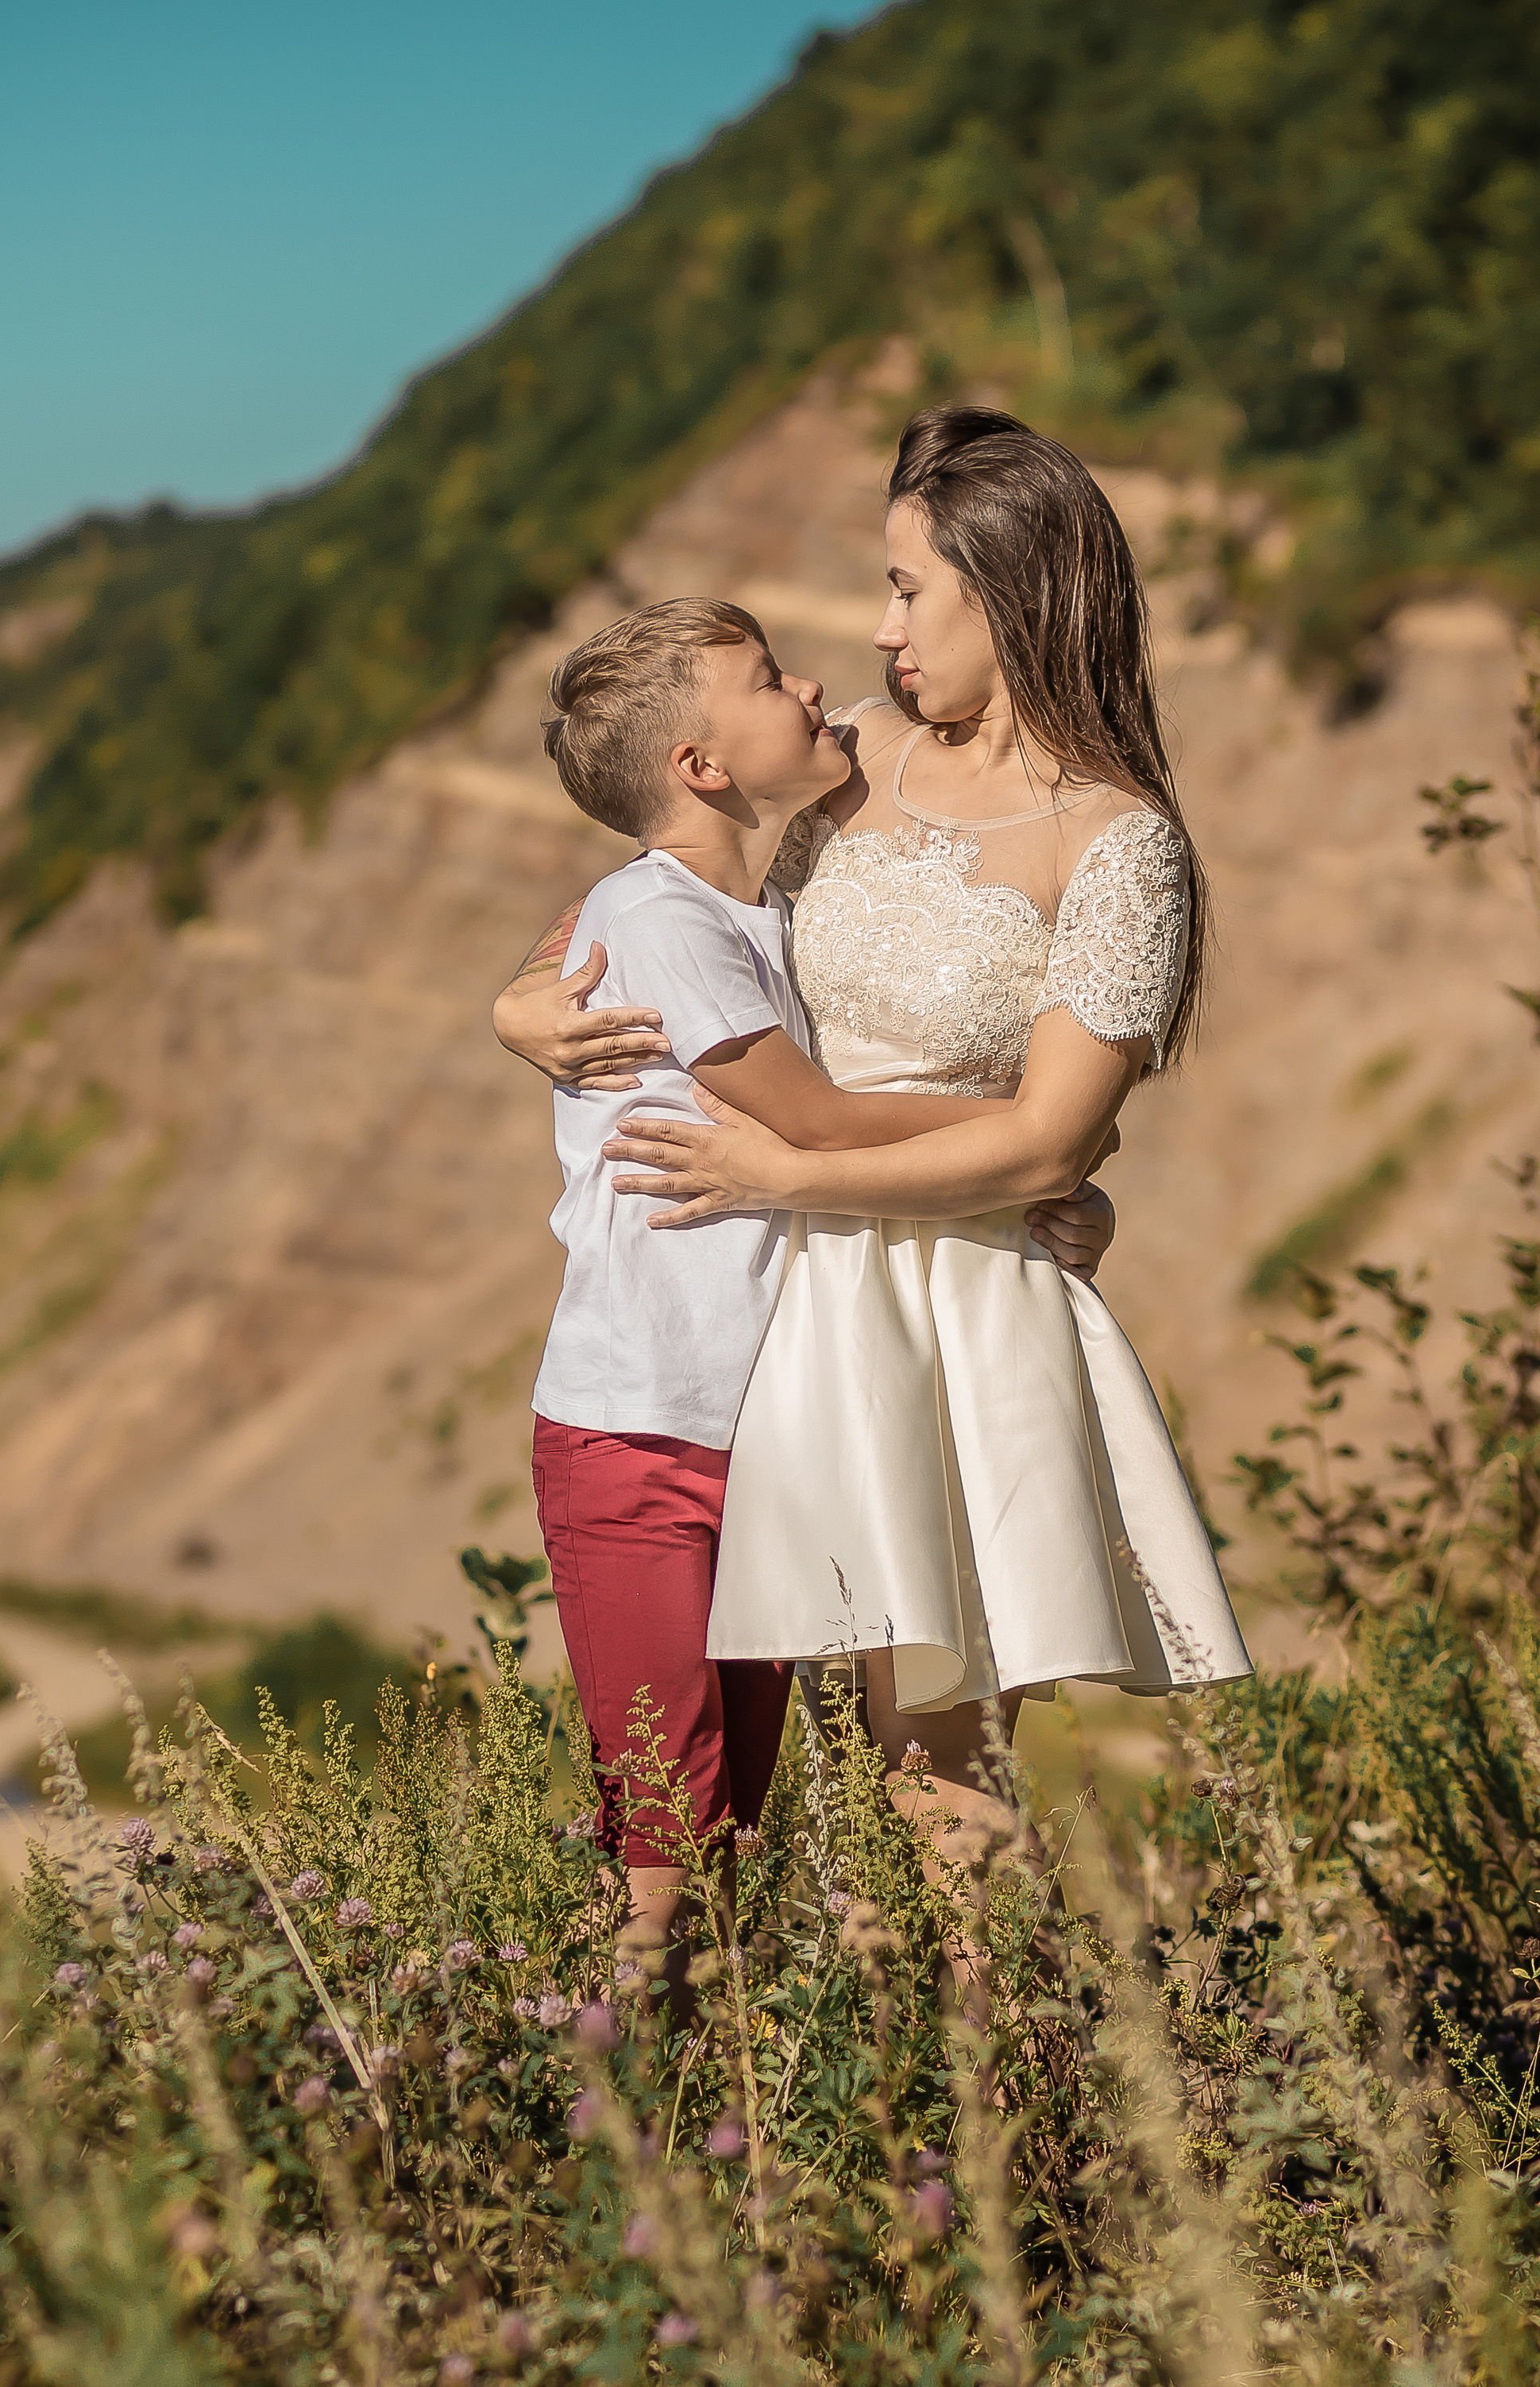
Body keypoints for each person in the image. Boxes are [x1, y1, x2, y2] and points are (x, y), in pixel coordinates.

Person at [501, 407, 1250, 1845]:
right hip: (788, 1305)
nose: (881, 625)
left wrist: (806, 1165)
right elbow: (656, 898)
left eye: (910, 587)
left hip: (951, 1305)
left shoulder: (1119, 841)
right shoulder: (849, 759)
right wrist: (517, 1010)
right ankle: (875, 2072)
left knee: (936, 1775)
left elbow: (1048, 1142)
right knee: (811, 1807)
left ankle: (1003, 2075)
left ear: (1009, 586)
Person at [513, 593, 1117, 1995]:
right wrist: (1033, 1143)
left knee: (736, 1827)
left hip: (765, 1432)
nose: (813, 683)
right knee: (668, 1842)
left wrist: (1022, 1164)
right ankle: (608, 2148)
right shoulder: (645, 918)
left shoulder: (768, 913)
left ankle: (731, 2156)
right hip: (636, 1433)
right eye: (769, 677)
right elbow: (820, 1125)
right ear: (703, 767)